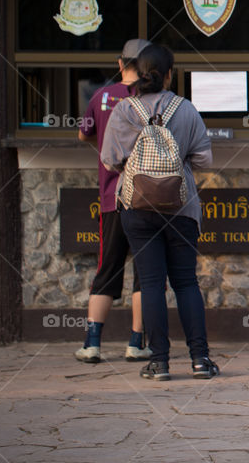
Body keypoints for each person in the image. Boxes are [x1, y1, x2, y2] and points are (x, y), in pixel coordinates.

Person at [101, 43, 218, 381]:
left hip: (137, 208)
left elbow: (109, 160)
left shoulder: (124, 110)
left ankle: (160, 362)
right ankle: (200, 360)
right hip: (181, 206)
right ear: (170, 74)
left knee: (151, 283)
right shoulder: (187, 110)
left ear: (137, 72)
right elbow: (204, 161)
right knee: (185, 282)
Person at [74, 39, 152, 363]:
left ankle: (92, 343)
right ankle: (136, 343)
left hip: (112, 197)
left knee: (107, 268)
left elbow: (83, 134)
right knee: (147, 272)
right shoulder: (153, 98)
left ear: (120, 63)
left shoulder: (102, 96)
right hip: (149, 197)